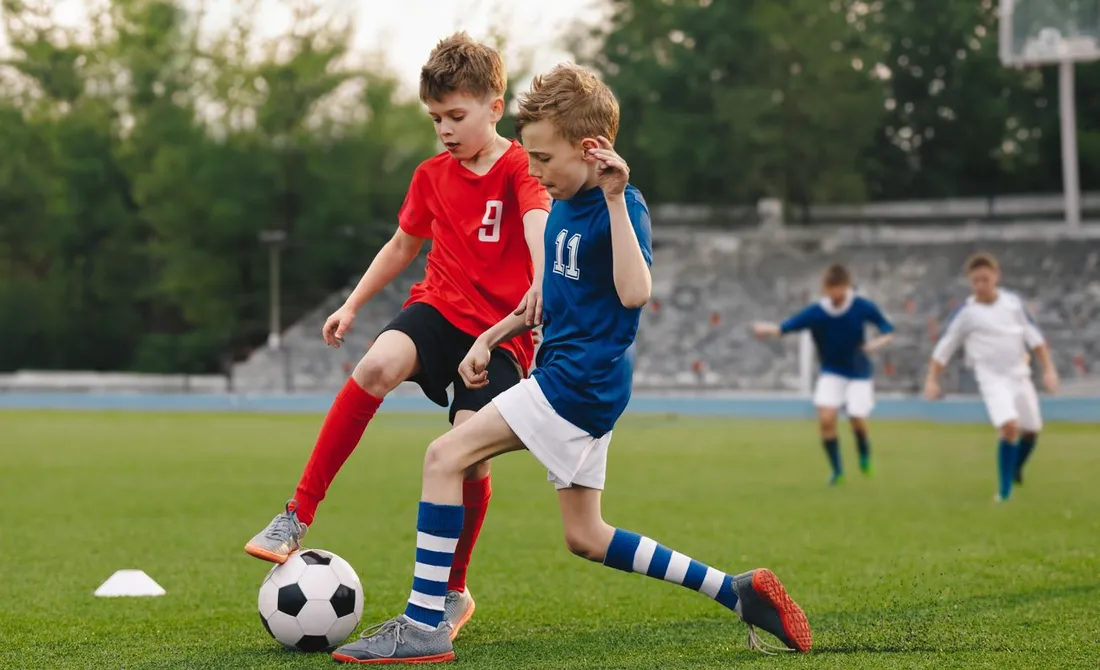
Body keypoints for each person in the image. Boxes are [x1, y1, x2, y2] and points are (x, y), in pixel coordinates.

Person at [331, 63, 812, 665]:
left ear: (591, 150)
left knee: (443, 457)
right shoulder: (560, 200)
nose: (533, 171)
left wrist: (613, 199)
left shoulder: (620, 205)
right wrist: (490, 338)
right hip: (576, 381)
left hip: (577, 384)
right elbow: (543, 301)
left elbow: (635, 292)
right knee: (587, 536)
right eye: (529, 157)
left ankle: (424, 624)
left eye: (543, 159)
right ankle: (736, 592)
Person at [244, 32, 551, 639]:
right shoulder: (431, 175)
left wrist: (541, 282)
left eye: (456, 116)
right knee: (374, 366)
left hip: (498, 333)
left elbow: (537, 219)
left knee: (466, 454)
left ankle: (454, 591)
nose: (445, 130)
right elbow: (403, 245)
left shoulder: (521, 166)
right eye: (435, 118)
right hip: (438, 309)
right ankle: (297, 513)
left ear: (494, 106)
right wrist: (352, 304)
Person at [924, 251, 1059, 501]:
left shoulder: (1013, 304)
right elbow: (944, 347)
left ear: (996, 276)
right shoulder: (967, 313)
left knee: (1032, 430)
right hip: (991, 378)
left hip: (1019, 374)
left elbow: (1034, 337)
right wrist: (932, 379)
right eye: (975, 281)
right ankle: (1004, 492)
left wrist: (1049, 369)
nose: (980, 285)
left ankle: (1015, 467)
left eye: (985, 279)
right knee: (1009, 427)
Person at [752, 265, 894, 484]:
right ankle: (837, 471)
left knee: (856, 419)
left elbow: (887, 329)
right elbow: (786, 327)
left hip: (859, 372)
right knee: (826, 419)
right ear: (825, 289)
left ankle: (864, 454)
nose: (835, 295)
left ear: (846, 287)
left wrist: (877, 343)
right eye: (830, 290)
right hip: (832, 371)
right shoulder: (817, 312)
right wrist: (767, 329)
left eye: (839, 290)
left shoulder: (861, 306)